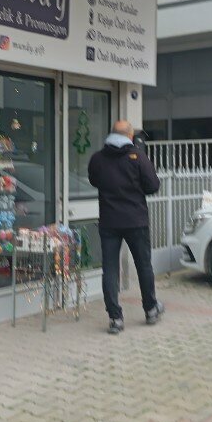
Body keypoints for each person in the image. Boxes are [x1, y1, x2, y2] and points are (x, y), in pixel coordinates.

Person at [88, 120, 164, 334]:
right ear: (130, 136)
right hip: (136, 221)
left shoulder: (97, 158)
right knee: (144, 266)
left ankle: (115, 318)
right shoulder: (138, 156)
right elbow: (153, 186)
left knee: (110, 269)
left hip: (109, 221)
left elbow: (94, 181)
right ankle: (150, 309)